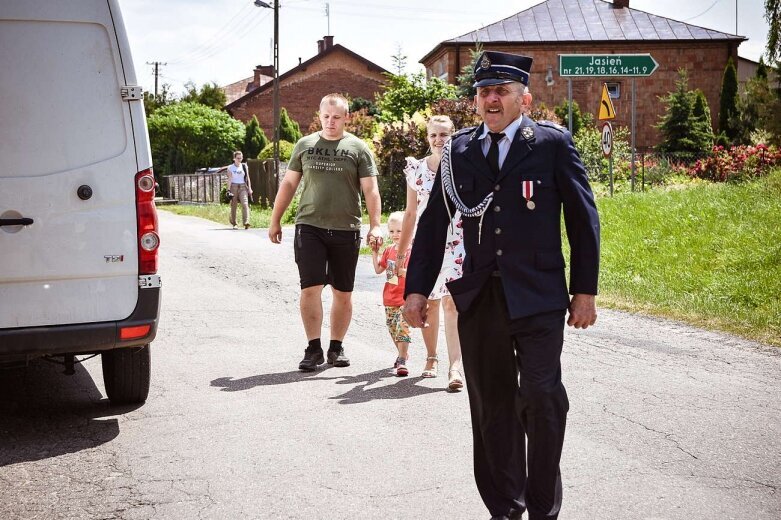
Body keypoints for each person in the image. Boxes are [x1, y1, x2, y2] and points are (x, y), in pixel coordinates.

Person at [403, 51, 600, 520]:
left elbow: (582, 217)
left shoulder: (551, 143)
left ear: (523, 99)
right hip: (481, 297)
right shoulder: (459, 150)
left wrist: (584, 290)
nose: (491, 99)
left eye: (502, 92)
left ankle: (541, 506)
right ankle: (505, 508)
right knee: (491, 406)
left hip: (538, 295)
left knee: (541, 395)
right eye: (484, 92)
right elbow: (434, 223)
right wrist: (416, 288)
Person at [269, 93, 383, 372]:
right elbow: (288, 184)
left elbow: (370, 189)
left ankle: (336, 347)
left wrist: (376, 224)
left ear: (346, 118)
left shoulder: (358, 148)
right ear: (319, 116)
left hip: (346, 228)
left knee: (343, 292)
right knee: (311, 288)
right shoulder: (305, 145)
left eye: (337, 117)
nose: (331, 122)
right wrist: (275, 220)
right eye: (326, 116)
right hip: (310, 226)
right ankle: (313, 348)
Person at [397, 115, 465, 390]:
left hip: (458, 243)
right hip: (426, 244)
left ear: (452, 136)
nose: (438, 141)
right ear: (427, 138)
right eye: (433, 135)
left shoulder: (461, 166)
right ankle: (431, 357)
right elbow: (411, 212)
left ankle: (455, 367)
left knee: (452, 302)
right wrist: (402, 251)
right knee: (430, 302)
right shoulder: (416, 169)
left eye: (444, 135)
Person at [371, 211, 411, 377]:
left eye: (399, 231)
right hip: (389, 297)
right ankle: (402, 353)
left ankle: (402, 360)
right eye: (392, 231)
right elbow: (378, 269)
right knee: (393, 329)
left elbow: (417, 272)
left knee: (402, 327)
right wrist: (375, 251)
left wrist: (403, 271)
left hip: (405, 298)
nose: (395, 235)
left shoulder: (410, 250)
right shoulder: (388, 251)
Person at [227, 150, 252, 229]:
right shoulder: (230, 168)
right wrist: (228, 190)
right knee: (234, 205)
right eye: (238, 158)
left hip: (242, 187)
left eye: (241, 158)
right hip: (233, 186)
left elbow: (247, 178)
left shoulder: (244, 166)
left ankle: (246, 222)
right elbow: (230, 179)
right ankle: (235, 223)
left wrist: (250, 188)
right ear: (234, 158)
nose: (239, 160)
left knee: (245, 203)